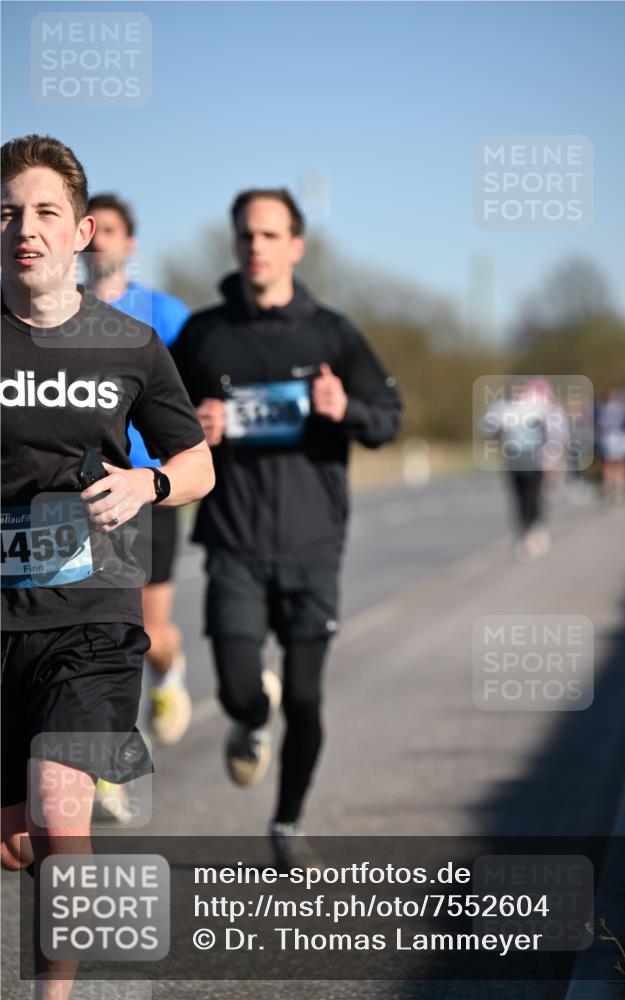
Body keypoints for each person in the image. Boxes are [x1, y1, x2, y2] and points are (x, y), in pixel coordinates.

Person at [0, 134, 214, 999]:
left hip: (93, 610)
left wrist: (145, 483)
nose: (25, 229)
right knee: (17, 839)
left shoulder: (128, 344)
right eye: (8, 212)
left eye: (45, 212)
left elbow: (195, 464)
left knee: (61, 810)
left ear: (82, 232)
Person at [171, 188, 401, 867]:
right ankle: (249, 717)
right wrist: (193, 428)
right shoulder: (205, 335)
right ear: (234, 243)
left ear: (296, 246)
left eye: (270, 235)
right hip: (233, 541)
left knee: (304, 698)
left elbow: (388, 418)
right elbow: (153, 420)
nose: (256, 246)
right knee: (239, 689)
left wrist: (345, 407)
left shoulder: (332, 333)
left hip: (312, 544)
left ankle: (287, 822)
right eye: (246, 234)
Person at [85, 193, 193, 749]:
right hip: (86, 492)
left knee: (149, 633)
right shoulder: (58, 313)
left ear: (130, 244)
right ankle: (102, 764)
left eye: (112, 231)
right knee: (95, 634)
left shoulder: (165, 315)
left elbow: (197, 386)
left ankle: (169, 674)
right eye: (94, 230)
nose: (100, 241)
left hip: (149, 488)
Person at [482, 377, 568, 561]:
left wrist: (552, 457)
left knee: (533, 496)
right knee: (518, 498)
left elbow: (554, 431)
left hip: (534, 460)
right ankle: (523, 533)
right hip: (513, 460)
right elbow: (489, 429)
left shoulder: (538, 406)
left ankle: (537, 529)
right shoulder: (501, 408)